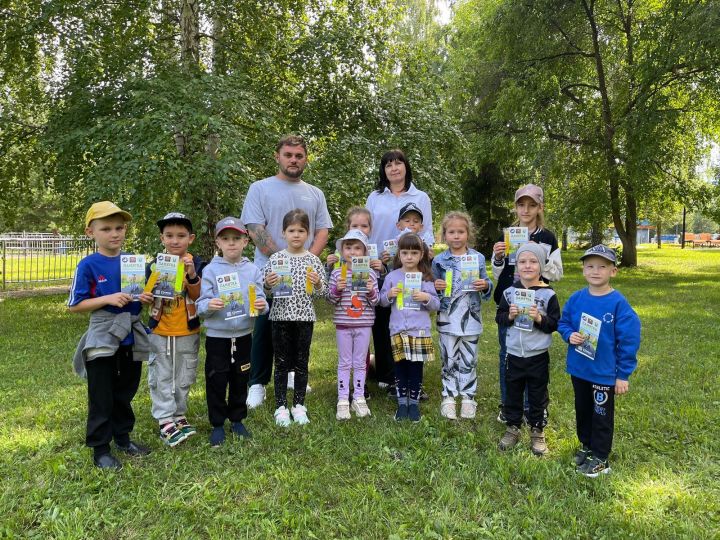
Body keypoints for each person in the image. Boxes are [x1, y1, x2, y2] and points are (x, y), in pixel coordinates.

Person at [241, 135, 332, 408]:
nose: (294, 160)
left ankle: (293, 374)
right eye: (288, 154)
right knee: (264, 328)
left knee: (296, 327)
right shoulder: (260, 188)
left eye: (299, 155)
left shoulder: (315, 193)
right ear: (277, 156)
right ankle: (257, 383)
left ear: (305, 159)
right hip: (269, 274)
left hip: (303, 276)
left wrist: (305, 261)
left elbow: (322, 230)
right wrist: (283, 262)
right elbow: (255, 229)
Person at [68, 201, 153, 470]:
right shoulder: (88, 265)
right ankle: (101, 449)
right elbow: (75, 305)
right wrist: (108, 298)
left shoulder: (134, 262)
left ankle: (123, 438)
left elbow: (139, 299)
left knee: (125, 390)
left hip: (131, 334)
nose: (114, 234)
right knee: (101, 394)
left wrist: (146, 298)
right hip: (103, 334)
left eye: (119, 228)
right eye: (106, 228)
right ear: (90, 232)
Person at [558, 245, 641, 477]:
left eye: (602, 267)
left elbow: (629, 339)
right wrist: (568, 334)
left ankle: (601, 458)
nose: (595, 271)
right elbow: (564, 323)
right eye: (590, 266)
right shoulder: (576, 299)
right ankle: (587, 446)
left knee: (601, 415)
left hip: (603, 373)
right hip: (580, 369)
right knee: (583, 410)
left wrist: (622, 374)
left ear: (613, 271)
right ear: (583, 270)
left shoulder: (618, 304)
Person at [491, 184, 563, 423]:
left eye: (532, 205)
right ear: (515, 207)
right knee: (507, 355)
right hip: (510, 300)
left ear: (540, 207)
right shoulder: (507, 235)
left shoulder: (548, 237)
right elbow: (497, 273)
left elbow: (557, 273)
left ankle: (533, 406)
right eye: (521, 204)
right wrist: (498, 256)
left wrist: (538, 257)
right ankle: (508, 404)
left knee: (534, 355)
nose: (526, 209)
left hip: (536, 303)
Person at [366, 150, 434, 396]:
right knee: (384, 318)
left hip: (411, 264)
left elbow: (427, 233)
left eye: (398, 163)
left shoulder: (421, 196)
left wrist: (424, 253)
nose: (394, 168)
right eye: (388, 165)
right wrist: (371, 257)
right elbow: (368, 230)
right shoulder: (374, 197)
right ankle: (386, 373)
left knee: (410, 314)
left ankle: (411, 372)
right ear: (383, 170)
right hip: (382, 266)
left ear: (406, 167)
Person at [197, 217, 268, 447]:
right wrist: (210, 305)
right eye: (225, 239)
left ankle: (237, 419)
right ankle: (217, 424)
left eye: (236, 238)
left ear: (246, 241)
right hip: (218, 337)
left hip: (244, 335)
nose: (231, 243)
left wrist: (261, 306)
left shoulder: (253, 270)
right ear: (218, 242)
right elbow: (201, 305)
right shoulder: (210, 270)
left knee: (240, 378)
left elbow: (261, 299)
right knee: (217, 380)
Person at [145, 212, 206, 447]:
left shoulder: (198, 264)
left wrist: (191, 273)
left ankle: (179, 414)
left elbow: (199, 296)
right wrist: (151, 288)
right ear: (162, 239)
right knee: (161, 373)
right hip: (160, 329)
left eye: (181, 236)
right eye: (169, 236)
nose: (175, 241)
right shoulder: (154, 265)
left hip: (187, 330)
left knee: (184, 374)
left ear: (190, 238)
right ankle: (164, 419)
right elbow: (147, 297)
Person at [262, 209, 327, 426]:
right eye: (292, 230)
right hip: (280, 316)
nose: (296, 235)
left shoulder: (313, 261)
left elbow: (322, 293)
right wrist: (268, 284)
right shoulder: (276, 259)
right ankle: (280, 406)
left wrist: (318, 282)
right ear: (283, 233)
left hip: (304, 317)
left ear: (308, 234)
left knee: (301, 362)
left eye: (301, 230)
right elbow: (265, 289)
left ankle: (299, 405)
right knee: (280, 362)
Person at [495, 243, 560, 456]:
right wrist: (511, 316)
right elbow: (500, 318)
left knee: (537, 394)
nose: (528, 266)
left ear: (541, 267)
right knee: (513, 393)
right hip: (514, 354)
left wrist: (539, 318)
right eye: (523, 261)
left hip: (537, 356)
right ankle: (512, 427)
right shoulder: (509, 292)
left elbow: (554, 324)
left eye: (533, 262)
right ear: (516, 266)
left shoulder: (548, 295)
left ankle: (537, 430)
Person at [432, 212, 493, 420]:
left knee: (468, 359)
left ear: (468, 234)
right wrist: (435, 286)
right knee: (448, 360)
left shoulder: (477, 258)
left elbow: (487, 283)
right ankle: (448, 397)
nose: (456, 236)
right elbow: (433, 290)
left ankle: (468, 397)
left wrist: (485, 285)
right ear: (444, 235)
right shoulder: (439, 261)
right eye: (451, 232)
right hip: (447, 319)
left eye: (461, 231)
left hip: (471, 320)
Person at [379, 233, 440, 422]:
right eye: (405, 252)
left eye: (414, 253)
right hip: (398, 329)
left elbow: (437, 305)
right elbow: (381, 302)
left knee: (415, 367)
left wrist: (426, 298)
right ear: (399, 254)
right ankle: (401, 403)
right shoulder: (392, 276)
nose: (409, 257)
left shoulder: (426, 278)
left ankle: (413, 403)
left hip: (419, 330)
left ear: (421, 254)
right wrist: (389, 294)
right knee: (400, 367)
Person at [327, 229, 379, 420]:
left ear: (365, 252)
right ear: (342, 251)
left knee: (359, 363)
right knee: (344, 362)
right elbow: (331, 299)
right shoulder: (336, 273)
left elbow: (376, 301)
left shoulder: (370, 274)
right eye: (348, 247)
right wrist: (337, 289)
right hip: (343, 324)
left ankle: (358, 397)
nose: (352, 252)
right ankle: (342, 399)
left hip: (364, 324)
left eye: (358, 248)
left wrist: (372, 291)